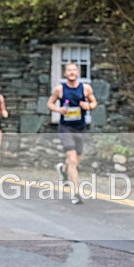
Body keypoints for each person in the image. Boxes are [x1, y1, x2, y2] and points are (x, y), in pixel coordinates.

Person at [47, 63, 97, 204]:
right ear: (65, 73)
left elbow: (94, 103)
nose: (71, 72)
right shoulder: (59, 89)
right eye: (69, 70)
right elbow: (50, 104)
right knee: (73, 160)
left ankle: (63, 169)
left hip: (80, 128)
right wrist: (59, 110)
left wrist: (88, 106)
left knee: (76, 160)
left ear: (77, 73)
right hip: (65, 128)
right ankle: (75, 194)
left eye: (74, 70)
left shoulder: (86, 88)